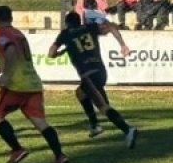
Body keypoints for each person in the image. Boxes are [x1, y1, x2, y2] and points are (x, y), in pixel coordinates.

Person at [0, 5, 69, 163]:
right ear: (11, 18)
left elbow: (10, 50)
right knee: (41, 123)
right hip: (33, 84)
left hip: (16, 85)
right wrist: (1, 70)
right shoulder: (18, 33)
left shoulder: (2, 35)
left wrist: (6, 75)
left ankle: (17, 149)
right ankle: (59, 155)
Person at [49, 12, 139, 147]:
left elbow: (51, 53)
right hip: (100, 71)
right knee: (80, 93)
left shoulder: (65, 34)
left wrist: (63, 51)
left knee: (103, 107)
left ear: (67, 23)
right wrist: (122, 45)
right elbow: (111, 26)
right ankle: (95, 125)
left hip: (88, 74)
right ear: (79, 21)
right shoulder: (90, 27)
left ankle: (127, 130)